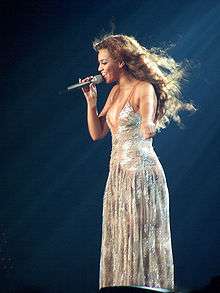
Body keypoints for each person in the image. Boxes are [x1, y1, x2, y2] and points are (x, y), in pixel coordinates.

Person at [79, 34, 195, 290]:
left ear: (120, 61)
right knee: (121, 237)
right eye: (99, 64)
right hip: (118, 177)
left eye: (103, 62)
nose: (99, 69)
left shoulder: (144, 88)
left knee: (140, 238)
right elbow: (97, 134)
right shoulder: (114, 93)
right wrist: (91, 102)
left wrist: (148, 125)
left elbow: (148, 121)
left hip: (141, 174)